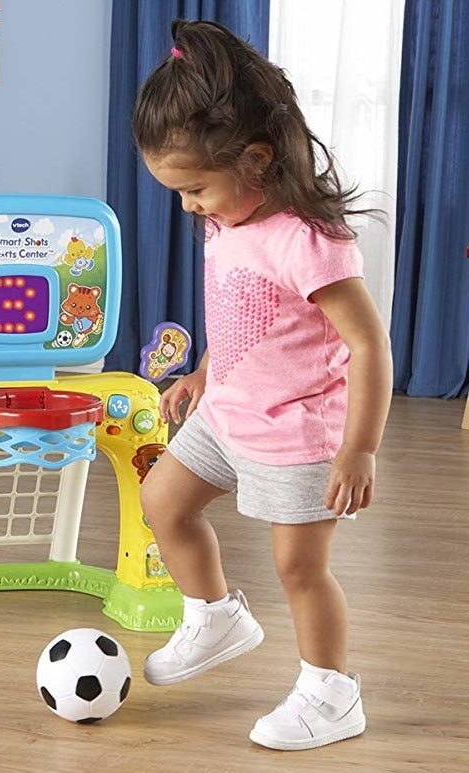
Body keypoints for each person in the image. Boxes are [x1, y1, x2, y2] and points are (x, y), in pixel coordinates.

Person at [133, 20, 393, 751]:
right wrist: (208, 371)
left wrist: (360, 449)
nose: (188, 206)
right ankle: (214, 614)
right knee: (163, 500)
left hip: (298, 430)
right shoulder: (230, 217)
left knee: (299, 567)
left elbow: (368, 342)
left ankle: (331, 692)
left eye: (193, 189)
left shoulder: (309, 238)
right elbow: (244, 310)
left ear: (256, 159)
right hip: (229, 411)